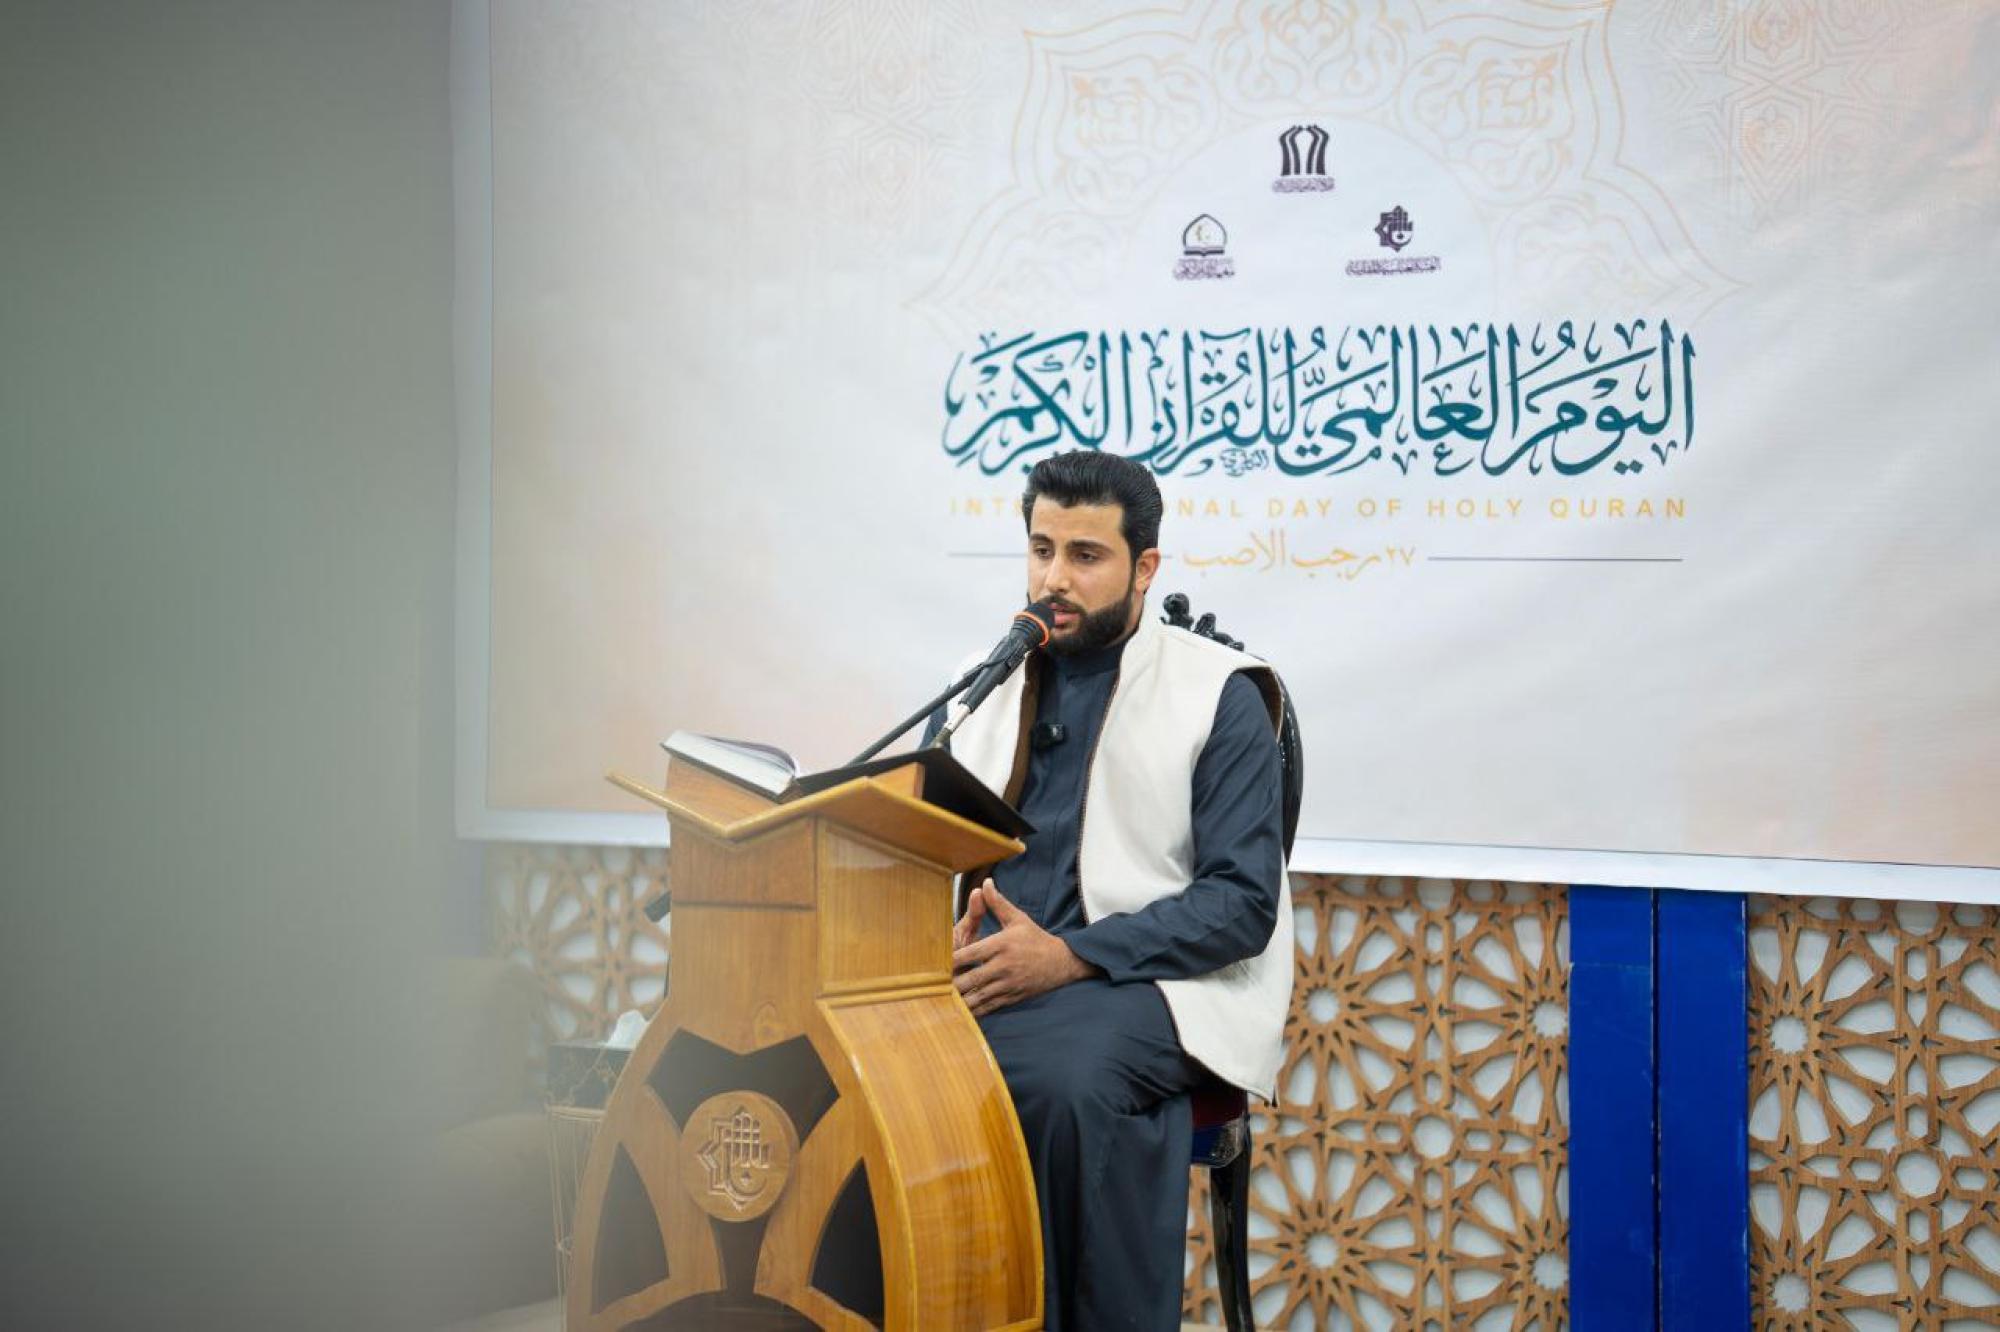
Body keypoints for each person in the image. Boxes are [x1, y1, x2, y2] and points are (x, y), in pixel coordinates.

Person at [938, 451, 1294, 1330]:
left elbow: (1242, 904)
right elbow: (926, 844)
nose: (1054, 579)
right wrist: (931, 930)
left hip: (1164, 985)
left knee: (1059, 1082)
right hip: (997, 977)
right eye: (1041, 549)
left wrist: (1068, 957)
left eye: (1085, 555)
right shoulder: (983, 688)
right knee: (874, 1064)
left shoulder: (1219, 695)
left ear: (1145, 568)